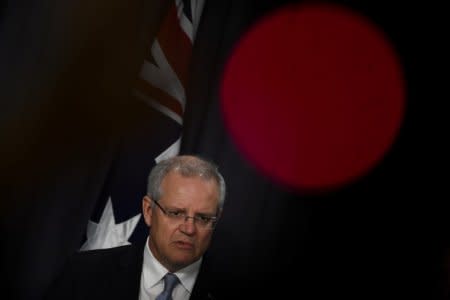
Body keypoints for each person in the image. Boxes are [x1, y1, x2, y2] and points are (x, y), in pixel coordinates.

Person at [45, 155, 226, 300]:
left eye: (203, 218)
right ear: (148, 211)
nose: (189, 229)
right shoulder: (83, 274)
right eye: (176, 213)